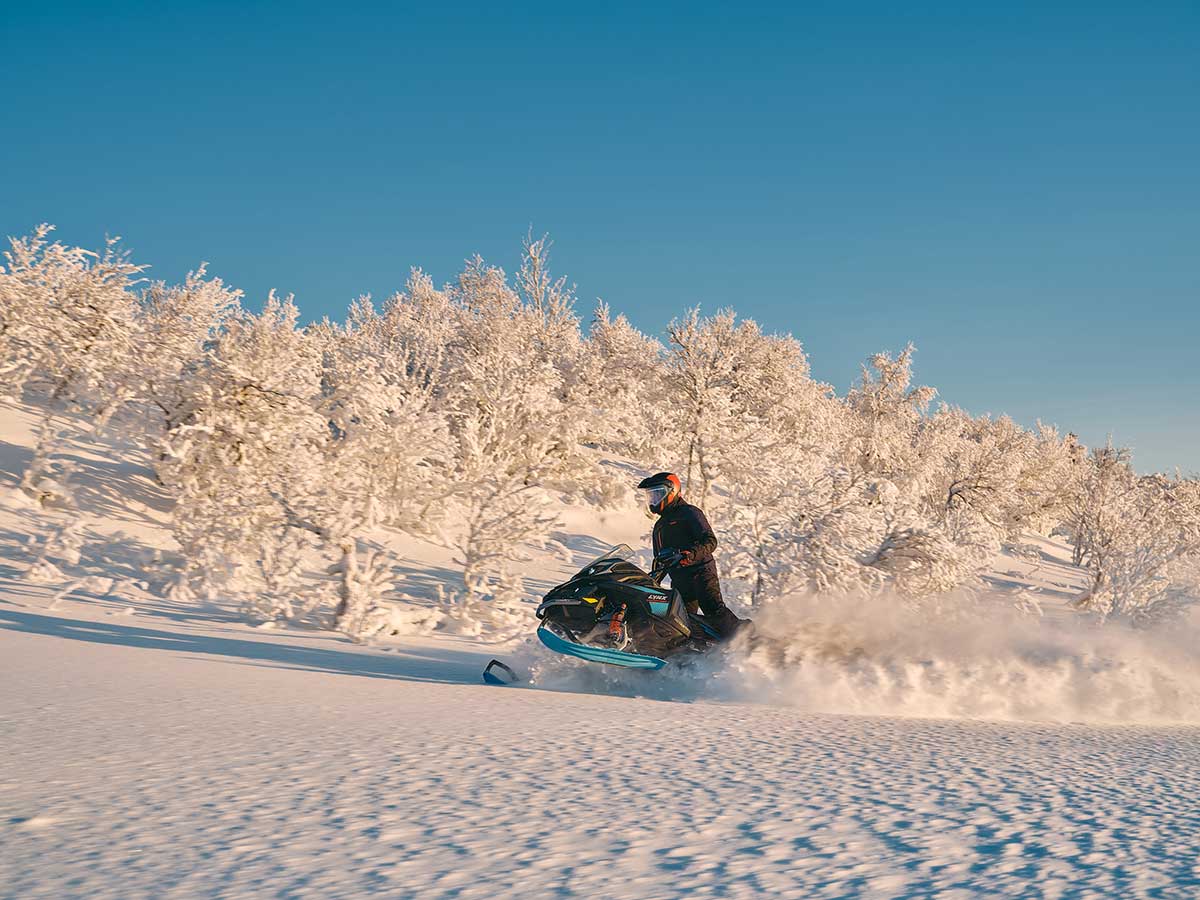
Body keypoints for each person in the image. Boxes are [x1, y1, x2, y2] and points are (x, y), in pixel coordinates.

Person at [636, 472, 749, 640]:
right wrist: (648, 584)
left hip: (701, 573)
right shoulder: (659, 527)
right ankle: (693, 652)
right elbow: (659, 561)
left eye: (658, 494)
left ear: (672, 491)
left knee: (714, 612)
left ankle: (748, 639)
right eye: (651, 496)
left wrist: (687, 555)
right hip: (680, 581)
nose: (654, 500)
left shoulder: (689, 513)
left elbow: (710, 541)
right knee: (680, 623)